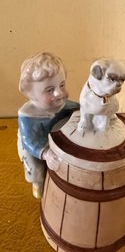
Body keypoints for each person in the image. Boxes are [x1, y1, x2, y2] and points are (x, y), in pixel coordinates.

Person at [17, 52, 79, 199]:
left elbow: (80, 110)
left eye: (62, 85)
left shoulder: (65, 105)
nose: (59, 93)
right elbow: (29, 140)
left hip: (56, 142)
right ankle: (37, 182)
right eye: (49, 90)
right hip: (35, 146)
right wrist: (44, 153)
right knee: (35, 167)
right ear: (31, 95)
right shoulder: (28, 114)